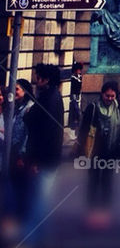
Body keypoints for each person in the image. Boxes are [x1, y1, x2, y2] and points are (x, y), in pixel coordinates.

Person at [22, 62, 64, 246]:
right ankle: (37, 238)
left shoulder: (49, 99)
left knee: (38, 200)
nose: (36, 81)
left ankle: (31, 240)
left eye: (38, 77)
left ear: (45, 79)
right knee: (39, 199)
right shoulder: (51, 96)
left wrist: (38, 160)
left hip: (45, 159)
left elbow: (48, 133)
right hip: (47, 158)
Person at [76, 80, 120, 227]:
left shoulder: (119, 107)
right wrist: (82, 150)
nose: (110, 99)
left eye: (112, 96)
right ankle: (90, 211)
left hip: (111, 151)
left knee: (107, 182)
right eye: (107, 96)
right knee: (93, 180)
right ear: (101, 94)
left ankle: (105, 211)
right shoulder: (93, 107)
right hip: (95, 151)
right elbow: (84, 129)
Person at [1, 80, 34, 235]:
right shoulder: (16, 107)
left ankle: (19, 220)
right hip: (12, 150)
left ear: (25, 91)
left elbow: (27, 134)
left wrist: (21, 154)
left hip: (19, 153)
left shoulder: (29, 108)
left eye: (18, 89)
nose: (15, 92)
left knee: (19, 186)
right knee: (12, 184)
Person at [68, 62, 84, 133]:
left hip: (78, 95)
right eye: (78, 70)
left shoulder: (79, 77)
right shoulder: (73, 78)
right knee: (75, 110)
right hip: (73, 95)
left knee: (78, 110)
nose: (80, 71)